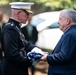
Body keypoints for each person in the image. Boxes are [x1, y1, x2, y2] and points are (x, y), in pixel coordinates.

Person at [1, 2, 43, 75]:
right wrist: (29, 60)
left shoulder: (16, 27)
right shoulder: (10, 29)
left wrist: (35, 49)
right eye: (27, 13)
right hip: (12, 70)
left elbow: (24, 43)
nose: (29, 16)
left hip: (18, 69)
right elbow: (12, 54)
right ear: (19, 13)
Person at [40, 9, 76, 75]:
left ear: (67, 21)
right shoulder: (72, 32)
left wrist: (47, 57)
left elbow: (64, 56)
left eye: (60, 19)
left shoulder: (70, 34)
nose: (58, 22)